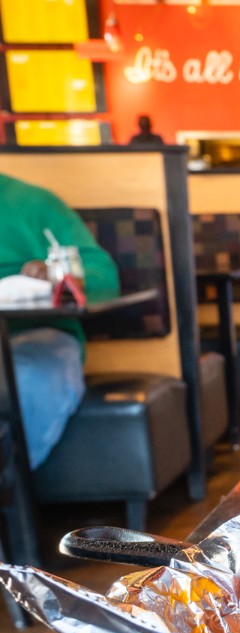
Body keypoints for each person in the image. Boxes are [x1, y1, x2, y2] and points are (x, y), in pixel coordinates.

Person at [0, 174, 120, 468]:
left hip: (36, 337)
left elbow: (103, 275)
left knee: (28, 379)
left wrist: (55, 275)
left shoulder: (33, 203)